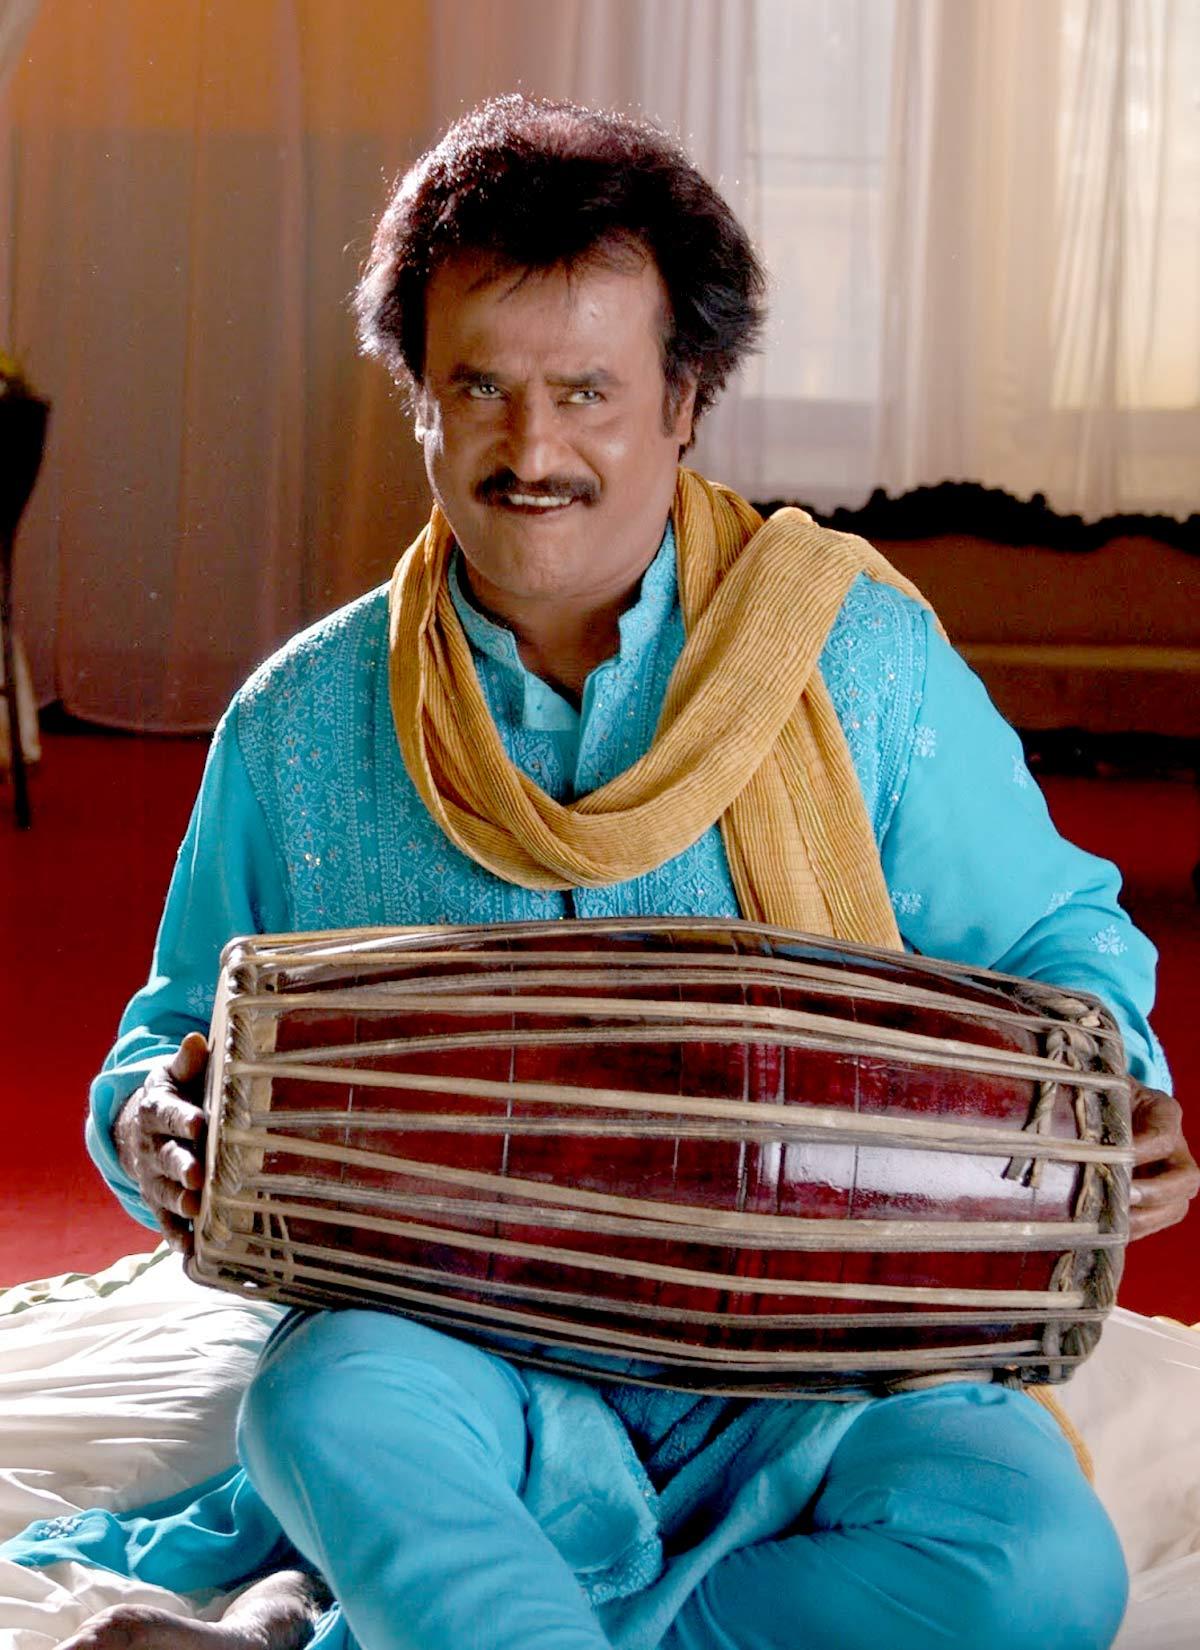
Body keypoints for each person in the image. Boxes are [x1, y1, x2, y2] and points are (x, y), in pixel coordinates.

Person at [35, 95, 1197, 1650]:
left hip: (816, 1361)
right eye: (481, 388)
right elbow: (170, 1036)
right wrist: (150, 1122)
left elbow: (1054, 934)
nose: (533, 450)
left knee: (1036, 1566)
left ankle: (384, 1625)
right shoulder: (300, 723)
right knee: (320, 1405)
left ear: (685, 398)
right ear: (420, 398)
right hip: (461, 1358)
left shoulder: (854, 659)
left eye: (587, 391)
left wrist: (1113, 1090)